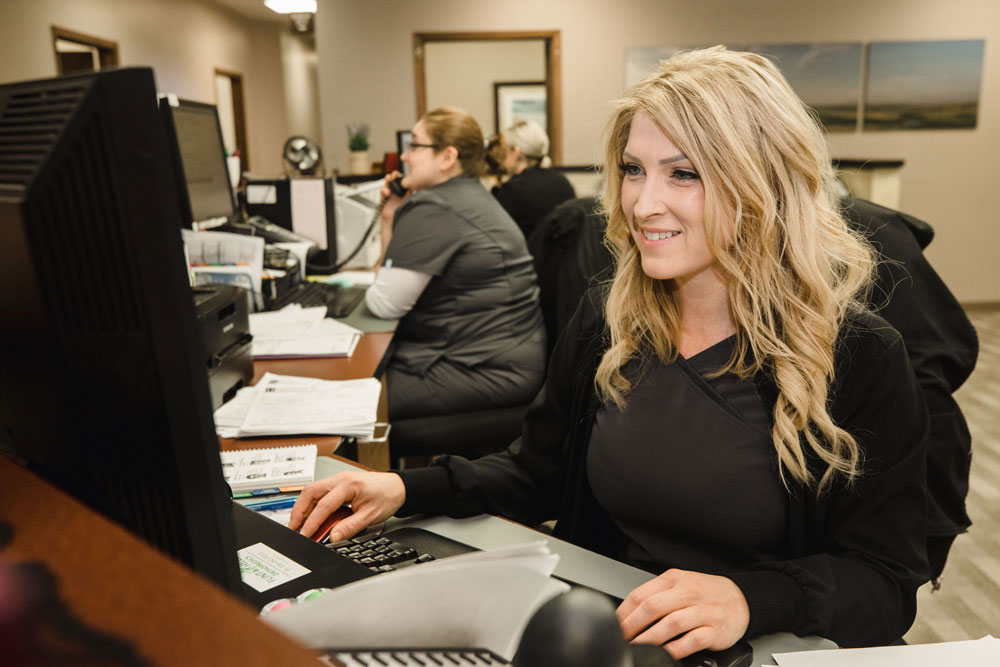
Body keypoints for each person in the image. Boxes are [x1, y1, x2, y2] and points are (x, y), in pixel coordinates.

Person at [292, 48, 929, 659]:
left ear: (762, 185)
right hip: (612, 634)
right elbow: (537, 475)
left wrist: (748, 598)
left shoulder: (857, 357)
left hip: (754, 647)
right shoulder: (611, 321)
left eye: (683, 173)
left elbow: (885, 580)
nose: (643, 204)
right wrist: (404, 485)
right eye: (633, 169)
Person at [363, 107, 546, 420]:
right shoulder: (466, 195)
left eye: (414, 145)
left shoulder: (435, 207)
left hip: (487, 368)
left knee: (354, 396)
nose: (404, 156)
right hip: (504, 358)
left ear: (447, 157)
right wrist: (391, 216)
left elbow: (383, 303)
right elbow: (388, 284)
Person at [490, 119, 576, 238]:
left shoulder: (512, 190)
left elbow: (494, 232)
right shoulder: (563, 182)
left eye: (504, 150)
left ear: (516, 152)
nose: (502, 157)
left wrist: (495, 192)